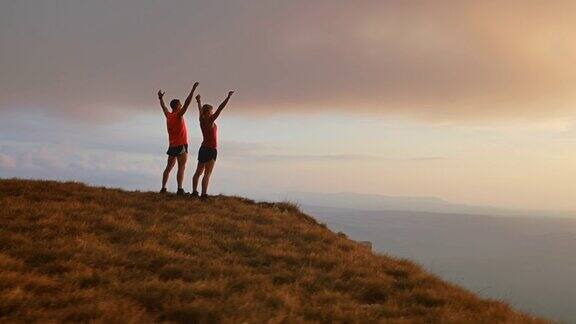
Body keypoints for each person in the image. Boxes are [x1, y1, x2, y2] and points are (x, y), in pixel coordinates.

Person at [191, 90, 234, 199]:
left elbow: (200, 111)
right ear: (208, 112)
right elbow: (220, 108)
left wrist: (199, 102)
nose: (212, 112)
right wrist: (228, 97)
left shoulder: (201, 119)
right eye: (211, 111)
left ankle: (194, 192)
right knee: (207, 174)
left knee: (198, 172)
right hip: (211, 149)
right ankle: (204, 195)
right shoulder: (210, 120)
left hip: (203, 148)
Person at [158, 82, 199, 195]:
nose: (181, 106)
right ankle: (180, 189)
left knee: (168, 167)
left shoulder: (168, 115)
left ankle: (163, 188)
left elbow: (164, 107)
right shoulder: (178, 115)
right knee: (181, 167)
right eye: (179, 105)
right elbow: (187, 103)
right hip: (181, 145)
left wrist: (160, 98)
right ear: (177, 106)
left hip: (172, 145)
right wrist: (193, 89)